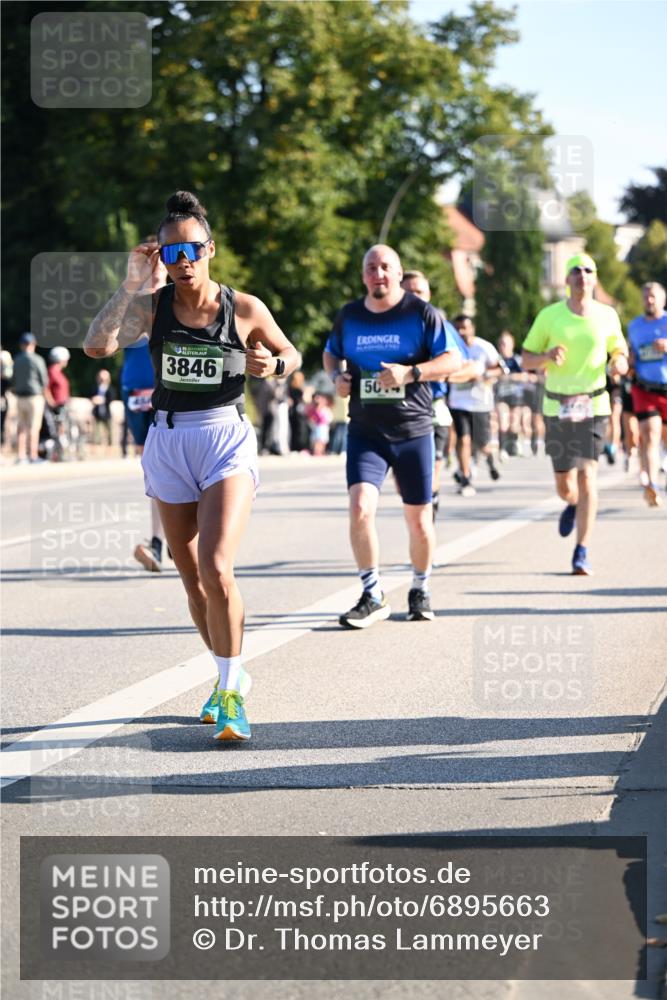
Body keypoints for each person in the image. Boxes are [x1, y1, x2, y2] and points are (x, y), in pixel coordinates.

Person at [85, 190, 300, 741]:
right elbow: (96, 347)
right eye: (172, 252)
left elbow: (291, 354)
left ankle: (229, 695)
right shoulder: (151, 307)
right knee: (193, 582)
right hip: (168, 440)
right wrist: (130, 285)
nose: (183, 262)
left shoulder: (243, 308)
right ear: (161, 256)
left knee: (217, 566)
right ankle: (229, 671)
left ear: (210, 249)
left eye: (192, 250)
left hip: (224, 437)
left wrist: (273, 365)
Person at [323, 244, 462, 627]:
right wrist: (336, 377)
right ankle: (372, 594)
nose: (378, 273)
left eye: (385, 266)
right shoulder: (350, 315)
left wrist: (411, 373)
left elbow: (453, 360)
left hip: (413, 430)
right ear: (363, 275)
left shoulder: (421, 313)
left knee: (419, 521)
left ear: (399, 273)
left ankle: (420, 587)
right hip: (366, 431)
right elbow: (331, 352)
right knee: (359, 508)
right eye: (371, 267)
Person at [522, 253, 628, 575]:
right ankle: (571, 503)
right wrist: (546, 355)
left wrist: (618, 362)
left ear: (594, 278)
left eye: (588, 270)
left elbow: (619, 350)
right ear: (567, 279)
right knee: (565, 485)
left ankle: (582, 551)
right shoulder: (550, 316)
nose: (582, 275)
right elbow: (526, 359)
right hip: (557, 406)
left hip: (594, 405)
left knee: (587, 475)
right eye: (576, 270)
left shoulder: (607, 315)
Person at [400, 269, 452, 521]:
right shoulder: (383, 323)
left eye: (419, 292)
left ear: (429, 295)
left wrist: (434, 372)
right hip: (398, 410)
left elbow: (466, 365)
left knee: (431, 469)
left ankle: (431, 498)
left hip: (434, 407)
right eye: (408, 292)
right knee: (404, 483)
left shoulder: (439, 324)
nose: (414, 297)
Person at [448, 315, 504, 497]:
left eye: (465, 328)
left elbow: (501, 369)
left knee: (482, 443)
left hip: (480, 403)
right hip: (458, 401)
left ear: (472, 328)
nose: (461, 332)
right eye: (458, 329)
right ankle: (465, 478)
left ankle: (489, 458)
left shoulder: (484, 347)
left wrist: (482, 374)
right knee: (463, 440)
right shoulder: (451, 348)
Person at [628, 281, 667, 507]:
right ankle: (652, 485)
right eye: (645, 297)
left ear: (663, 299)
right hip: (644, 388)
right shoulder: (634, 326)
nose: (649, 301)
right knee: (650, 435)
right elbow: (630, 353)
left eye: (653, 296)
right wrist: (629, 360)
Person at [12, 332, 48, 464]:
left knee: (21, 427)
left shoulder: (17, 359)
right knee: (34, 427)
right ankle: (33, 455)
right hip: (34, 397)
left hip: (19, 397)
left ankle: (21, 456)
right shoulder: (37, 359)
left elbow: (13, 380)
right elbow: (44, 380)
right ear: (33, 345)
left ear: (21, 345)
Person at [90, 369, 116, 448]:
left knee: (109, 432)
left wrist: (102, 400)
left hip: (106, 413)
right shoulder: (95, 388)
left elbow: (112, 398)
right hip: (97, 413)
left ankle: (110, 446)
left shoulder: (110, 388)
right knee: (96, 432)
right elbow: (91, 397)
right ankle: (96, 445)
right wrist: (94, 399)